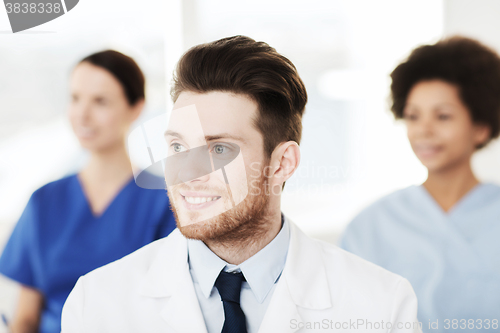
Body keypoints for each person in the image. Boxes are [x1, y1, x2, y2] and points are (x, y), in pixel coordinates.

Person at [61, 36, 422, 333]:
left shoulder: (382, 307)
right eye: (177, 147)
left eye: (218, 149)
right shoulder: (96, 303)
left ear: (282, 164)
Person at [0, 50, 176, 333]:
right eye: (75, 98)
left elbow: (172, 312)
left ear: (136, 107)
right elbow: (25, 318)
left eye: (100, 101)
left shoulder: (164, 203)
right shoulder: (44, 202)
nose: (82, 114)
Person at [340, 36, 500, 331]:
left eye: (443, 116)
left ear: (480, 128)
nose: (423, 130)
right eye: (413, 116)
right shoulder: (370, 226)